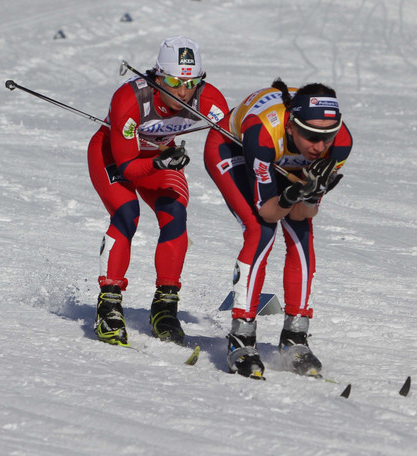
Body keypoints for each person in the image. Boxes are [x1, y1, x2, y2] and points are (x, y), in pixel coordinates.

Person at [204, 79, 353, 378]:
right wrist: (289, 195)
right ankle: (241, 337)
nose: (320, 146)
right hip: (233, 148)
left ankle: (295, 336)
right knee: (261, 231)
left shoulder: (339, 144)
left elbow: (303, 213)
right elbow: (268, 211)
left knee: (301, 232)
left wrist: (310, 193)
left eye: (327, 136)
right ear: (291, 126)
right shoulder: (264, 131)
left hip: (285, 160)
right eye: (311, 135)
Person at [88, 36, 229, 347]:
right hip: (113, 155)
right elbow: (127, 168)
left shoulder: (209, 101)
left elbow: (236, 139)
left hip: (158, 158)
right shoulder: (131, 99)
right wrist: (161, 161)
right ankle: (108, 306)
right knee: (127, 214)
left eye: (191, 82)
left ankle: (165, 307)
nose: (182, 91)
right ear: (157, 75)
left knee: (175, 215)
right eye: (174, 81)